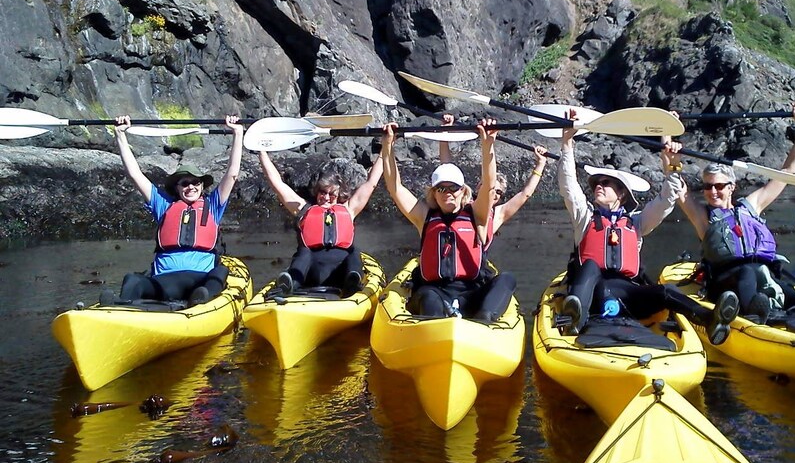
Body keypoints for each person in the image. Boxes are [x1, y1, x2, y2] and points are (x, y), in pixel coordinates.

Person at [669, 99, 795, 323]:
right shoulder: (703, 218)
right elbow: (675, 184)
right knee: (747, 273)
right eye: (707, 186)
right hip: (724, 284)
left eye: (718, 186)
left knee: (790, 291)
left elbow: (788, 171)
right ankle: (759, 315)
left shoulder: (750, 206)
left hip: (762, 274)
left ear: (732, 187)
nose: (711, 192)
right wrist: (668, 142)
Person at [557, 117, 738, 345]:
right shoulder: (585, 218)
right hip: (590, 294)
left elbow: (666, 199)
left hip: (627, 295)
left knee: (665, 291)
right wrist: (567, 144)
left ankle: (709, 318)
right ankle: (575, 318)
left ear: (622, 194)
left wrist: (672, 165)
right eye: (597, 183)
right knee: (591, 265)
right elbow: (569, 187)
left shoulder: (637, 223)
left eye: (606, 183)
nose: (599, 186)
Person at [100, 113, 243, 306]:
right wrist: (120, 134)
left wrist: (237, 133)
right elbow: (135, 175)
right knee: (132, 280)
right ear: (177, 187)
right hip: (165, 281)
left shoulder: (214, 205)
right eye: (185, 183)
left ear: (202, 186)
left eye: (195, 182)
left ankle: (200, 301)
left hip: (200, 280)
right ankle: (118, 307)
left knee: (220, 271)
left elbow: (232, 174)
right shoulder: (164, 205)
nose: (190, 187)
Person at [381, 119, 516, 321]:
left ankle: (484, 319)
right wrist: (388, 146)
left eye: (453, 188)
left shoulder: (476, 214)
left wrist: (488, 145)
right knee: (427, 296)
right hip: (435, 292)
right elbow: (395, 187)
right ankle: (435, 326)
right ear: (434, 194)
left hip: (470, 292)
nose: (447, 193)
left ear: (463, 191)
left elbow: (488, 185)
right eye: (441, 189)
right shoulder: (424, 216)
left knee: (507, 279)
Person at [258, 148, 383, 296]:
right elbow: (277, 184)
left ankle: (353, 282)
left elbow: (371, 182)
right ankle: (291, 284)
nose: (326, 197)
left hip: (341, 273)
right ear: (317, 192)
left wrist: (386, 148)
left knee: (353, 252)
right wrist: (261, 151)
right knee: (304, 252)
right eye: (323, 192)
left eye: (332, 194)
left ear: (339, 195)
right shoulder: (303, 209)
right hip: (310, 271)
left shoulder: (349, 209)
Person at [437, 113, 548, 249]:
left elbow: (525, 194)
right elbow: (446, 170)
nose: (494, 193)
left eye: (499, 192)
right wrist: (445, 132)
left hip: (476, 266)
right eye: (491, 188)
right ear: (478, 187)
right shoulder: (462, 202)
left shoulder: (498, 215)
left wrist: (541, 164)